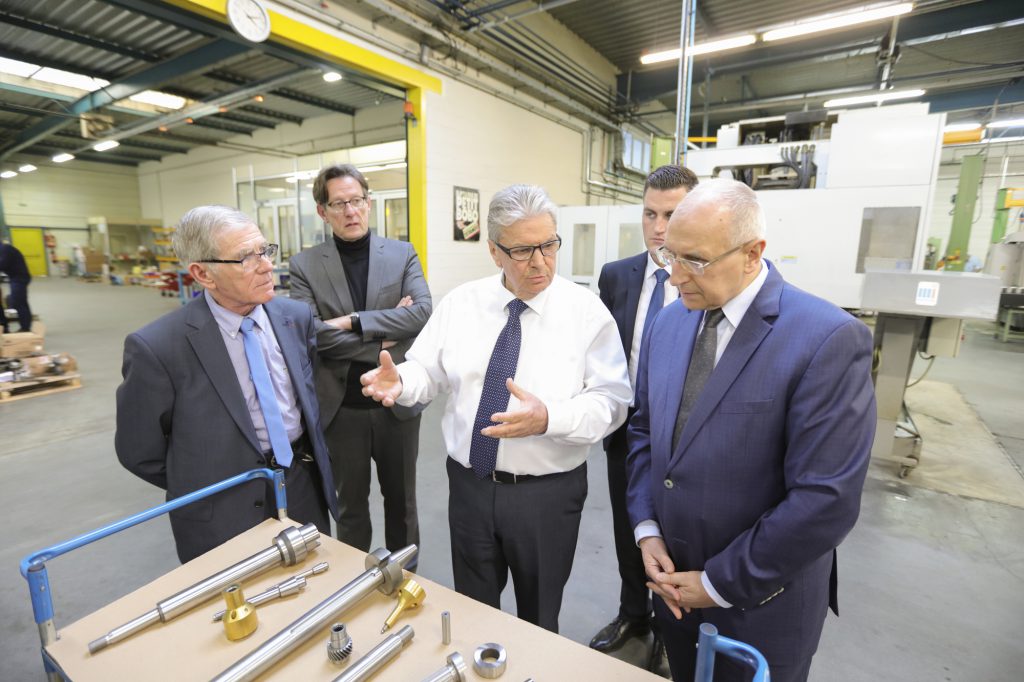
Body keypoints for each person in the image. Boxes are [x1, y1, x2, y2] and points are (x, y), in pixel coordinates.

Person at [626, 179, 876, 682]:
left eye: (695, 260)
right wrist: (647, 529)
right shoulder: (669, 324)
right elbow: (645, 432)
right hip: (673, 593)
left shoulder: (825, 339)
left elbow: (825, 499)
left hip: (760, 607)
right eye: (670, 255)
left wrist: (717, 583)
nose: (675, 275)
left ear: (752, 254)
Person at [361, 184, 632, 632]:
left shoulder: (586, 312)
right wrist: (403, 380)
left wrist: (549, 419)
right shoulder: (462, 304)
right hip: (470, 487)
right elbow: (427, 369)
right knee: (473, 613)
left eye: (549, 245)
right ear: (494, 251)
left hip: (547, 495)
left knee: (539, 619)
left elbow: (612, 401)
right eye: (523, 250)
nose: (540, 262)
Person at [115, 205, 338, 563]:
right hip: (220, 507)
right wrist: (208, 479)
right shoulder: (159, 348)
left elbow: (307, 398)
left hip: (301, 485)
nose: (266, 266)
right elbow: (139, 451)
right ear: (202, 274)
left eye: (265, 250)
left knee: (316, 580)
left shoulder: (295, 318)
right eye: (246, 258)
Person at [289, 164, 431, 565]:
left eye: (356, 201)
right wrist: (384, 338)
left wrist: (351, 321)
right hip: (342, 409)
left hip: (395, 405)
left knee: (402, 505)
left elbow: (421, 313)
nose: (350, 211)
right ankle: (353, 582)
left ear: (368, 203)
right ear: (323, 211)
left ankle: (405, 577)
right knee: (351, 509)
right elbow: (310, 334)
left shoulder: (402, 254)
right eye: (339, 204)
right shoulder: (304, 266)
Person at [591, 164, 699, 669]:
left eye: (671, 215)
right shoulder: (617, 276)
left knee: (680, 535)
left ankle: (675, 629)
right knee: (629, 526)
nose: (658, 227)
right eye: (650, 214)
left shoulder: (704, 278)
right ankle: (633, 615)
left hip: (687, 435)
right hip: (628, 429)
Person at [0, 242, 32, 333]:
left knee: (19, 302)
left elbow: (2, 264)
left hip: (19, 277)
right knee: (18, 301)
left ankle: (25, 328)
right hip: (15, 277)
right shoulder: (4, 249)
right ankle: (25, 325)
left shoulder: (4, 249)